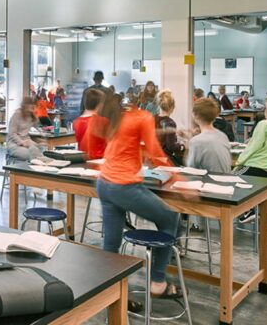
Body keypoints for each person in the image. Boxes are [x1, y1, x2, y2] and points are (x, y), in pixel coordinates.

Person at [98, 89, 181, 299]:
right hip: (124, 186)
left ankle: (110, 294)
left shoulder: (117, 117)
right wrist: (178, 179)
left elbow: (129, 140)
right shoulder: (141, 117)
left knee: (111, 242)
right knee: (171, 219)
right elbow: (155, 153)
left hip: (104, 183)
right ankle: (158, 282)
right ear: (144, 103)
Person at [188, 98, 232, 174]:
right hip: (227, 181)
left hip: (210, 183)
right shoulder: (223, 136)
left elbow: (191, 169)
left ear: (196, 115)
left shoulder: (197, 141)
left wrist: (186, 147)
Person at [72, 89, 109, 160]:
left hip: (82, 161)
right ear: (99, 105)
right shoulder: (102, 121)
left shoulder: (76, 122)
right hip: (100, 160)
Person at [154, 90, 185, 166]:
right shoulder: (170, 123)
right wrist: (182, 146)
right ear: (173, 107)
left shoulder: (153, 118)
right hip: (164, 159)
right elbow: (171, 146)